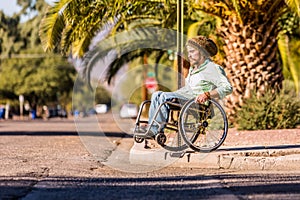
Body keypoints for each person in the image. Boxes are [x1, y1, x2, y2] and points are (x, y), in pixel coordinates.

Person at [147, 35, 233, 136]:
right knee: (156, 95)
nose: (189, 55)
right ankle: (151, 127)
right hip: (185, 96)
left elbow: (227, 87)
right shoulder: (194, 69)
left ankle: (156, 130)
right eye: (189, 52)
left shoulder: (213, 68)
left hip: (196, 101)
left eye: (192, 52)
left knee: (164, 97)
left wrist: (207, 94)